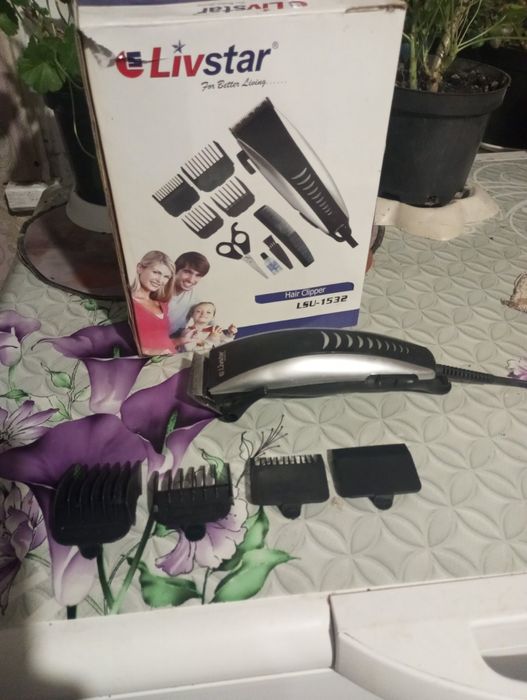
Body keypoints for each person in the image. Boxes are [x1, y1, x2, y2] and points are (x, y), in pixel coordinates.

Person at [130, 251, 176, 355]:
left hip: (171, 360)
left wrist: (182, 340)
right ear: (140, 268)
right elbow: (116, 341)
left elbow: (162, 341)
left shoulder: (163, 305)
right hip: (147, 363)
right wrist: (149, 351)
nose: (160, 280)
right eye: (156, 272)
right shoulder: (128, 302)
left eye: (166, 277)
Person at [167, 252, 210, 343]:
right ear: (175, 270)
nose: (191, 280)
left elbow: (208, 319)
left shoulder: (194, 297)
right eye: (187, 272)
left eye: (198, 275)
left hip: (172, 342)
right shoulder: (156, 290)